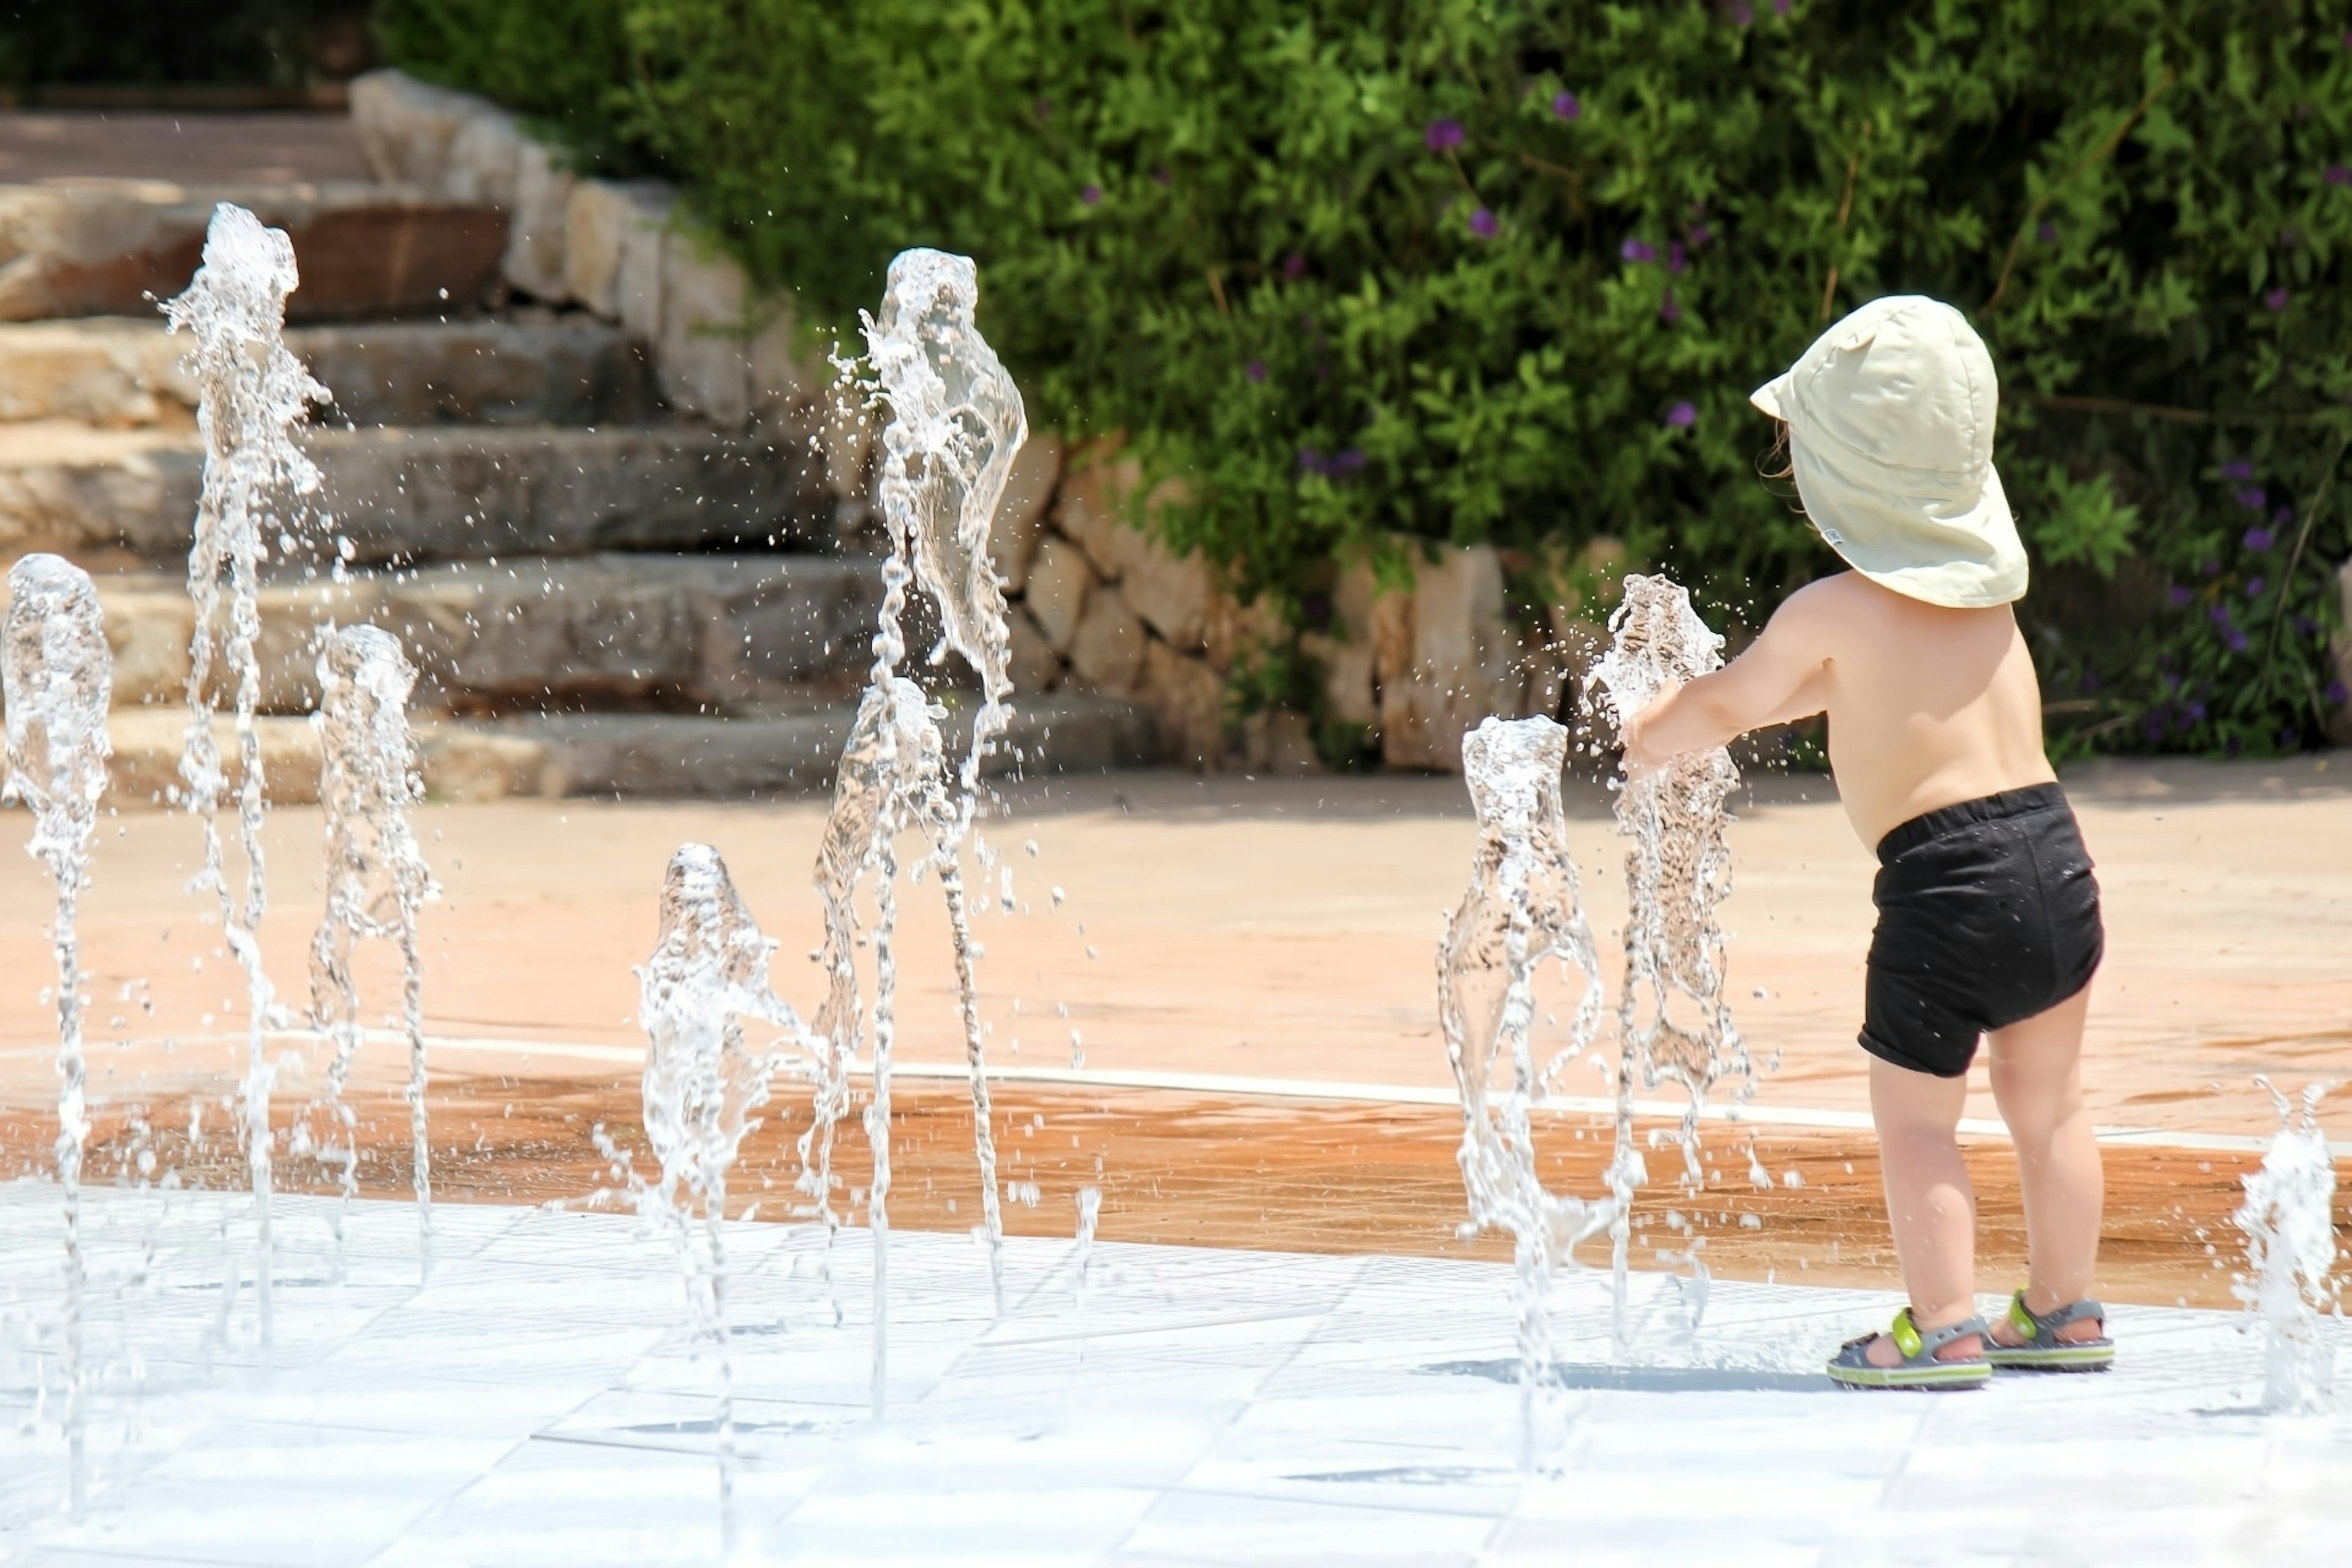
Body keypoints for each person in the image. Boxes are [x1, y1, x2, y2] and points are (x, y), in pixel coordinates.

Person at [1619, 296, 2113, 1390]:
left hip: (1946, 889)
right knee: (2052, 1105)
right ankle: (2065, 1310)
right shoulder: (1994, 607)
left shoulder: (1831, 613)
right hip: (2057, 865)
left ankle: (1943, 1328)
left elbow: (1732, 705)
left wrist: (1649, 729)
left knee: (1919, 1122)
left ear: (1839, 480)